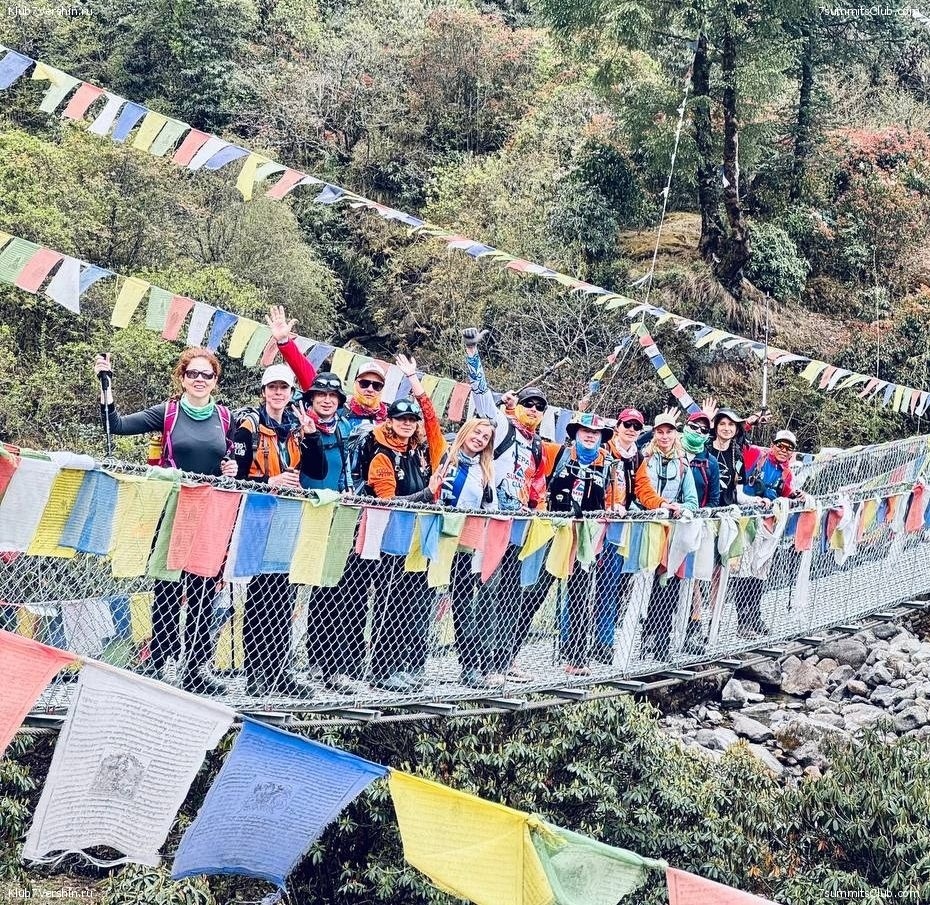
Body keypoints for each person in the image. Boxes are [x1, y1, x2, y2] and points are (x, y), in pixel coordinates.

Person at [94, 348, 236, 694]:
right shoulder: (168, 412)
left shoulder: (225, 417)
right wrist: (105, 385)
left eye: (206, 375)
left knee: (204, 589)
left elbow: (228, 458)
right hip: (173, 509)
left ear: (215, 381)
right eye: (193, 374)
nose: (199, 380)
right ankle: (161, 661)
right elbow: (117, 426)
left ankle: (197, 667)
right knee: (169, 587)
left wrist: (231, 468)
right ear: (182, 378)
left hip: (208, 512)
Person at [232, 364, 324, 698]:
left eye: (283, 388)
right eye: (272, 387)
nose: (278, 393)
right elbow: (235, 475)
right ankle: (255, 672)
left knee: (284, 593)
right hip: (258, 513)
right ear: (264, 391)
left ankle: (279, 669)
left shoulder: (297, 427)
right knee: (259, 594)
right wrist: (269, 480)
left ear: (291, 392)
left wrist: (312, 436)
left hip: (288, 514)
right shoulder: (249, 426)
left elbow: (317, 471)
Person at [365, 358, 447, 692]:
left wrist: (415, 382)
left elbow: (433, 422)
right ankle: (381, 670)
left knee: (412, 604)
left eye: (411, 420)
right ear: (390, 421)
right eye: (401, 419)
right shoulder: (381, 454)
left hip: (417, 540)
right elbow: (388, 502)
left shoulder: (421, 452)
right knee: (389, 604)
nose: (407, 424)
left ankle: (402, 666)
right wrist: (427, 493)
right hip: (390, 539)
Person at [268, 305, 388, 487]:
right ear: (355, 384)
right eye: (364, 383)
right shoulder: (325, 417)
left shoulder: (383, 421)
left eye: (376, 385)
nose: (370, 389)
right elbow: (307, 375)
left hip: (348, 495)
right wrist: (285, 342)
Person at [548, 413, 623, 675]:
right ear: (576, 434)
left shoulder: (609, 464)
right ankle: (507, 659)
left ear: (601, 437)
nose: (590, 436)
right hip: (555, 533)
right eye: (585, 431)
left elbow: (614, 498)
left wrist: (616, 508)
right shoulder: (558, 454)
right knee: (536, 593)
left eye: (595, 432)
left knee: (580, 596)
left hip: (586, 538)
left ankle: (577, 659)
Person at [436, 418, 498, 688]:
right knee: (421, 601)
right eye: (477, 433)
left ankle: (470, 666)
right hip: (434, 538)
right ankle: (412, 664)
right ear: (466, 431)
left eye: (485, 438)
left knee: (462, 604)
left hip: (463, 544)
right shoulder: (444, 455)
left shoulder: (485, 471)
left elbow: (491, 508)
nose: (479, 439)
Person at [634, 413, 699, 661]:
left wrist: (679, 508)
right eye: (660, 432)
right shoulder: (644, 459)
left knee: (668, 586)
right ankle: (643, 639)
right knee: (643, 585)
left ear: (675, 434)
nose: (664, 436)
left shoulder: (683, 465)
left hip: (672, 533)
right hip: (646, 529)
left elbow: (692, 500)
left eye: (669, 432)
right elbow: (636, 493)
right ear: (654, 434)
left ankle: (662, 642)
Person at [731, 429, 803, 636]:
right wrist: (749, 424)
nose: (783, 450)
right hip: (747, 522)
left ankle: (755, 616)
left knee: (759, 573)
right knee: (744, 571)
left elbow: (786, 492)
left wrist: (796, 496)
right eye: (780, 445)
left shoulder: (786, 472)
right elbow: (736, 441)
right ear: (772, 445)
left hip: (768, 527)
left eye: (788, 448)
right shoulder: (756, 454)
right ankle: (743, 621)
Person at [592, 406, 645, 664]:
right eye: (627, 425)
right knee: (579, 585)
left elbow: (644, 489)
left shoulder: (637, 458)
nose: (631, 430)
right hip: (592, 525)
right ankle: (573, 643)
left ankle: (604, 642)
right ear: (617, 427)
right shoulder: (603, 450)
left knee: (610, 586)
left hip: (617, 529)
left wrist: (662, 505)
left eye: (636, 427)